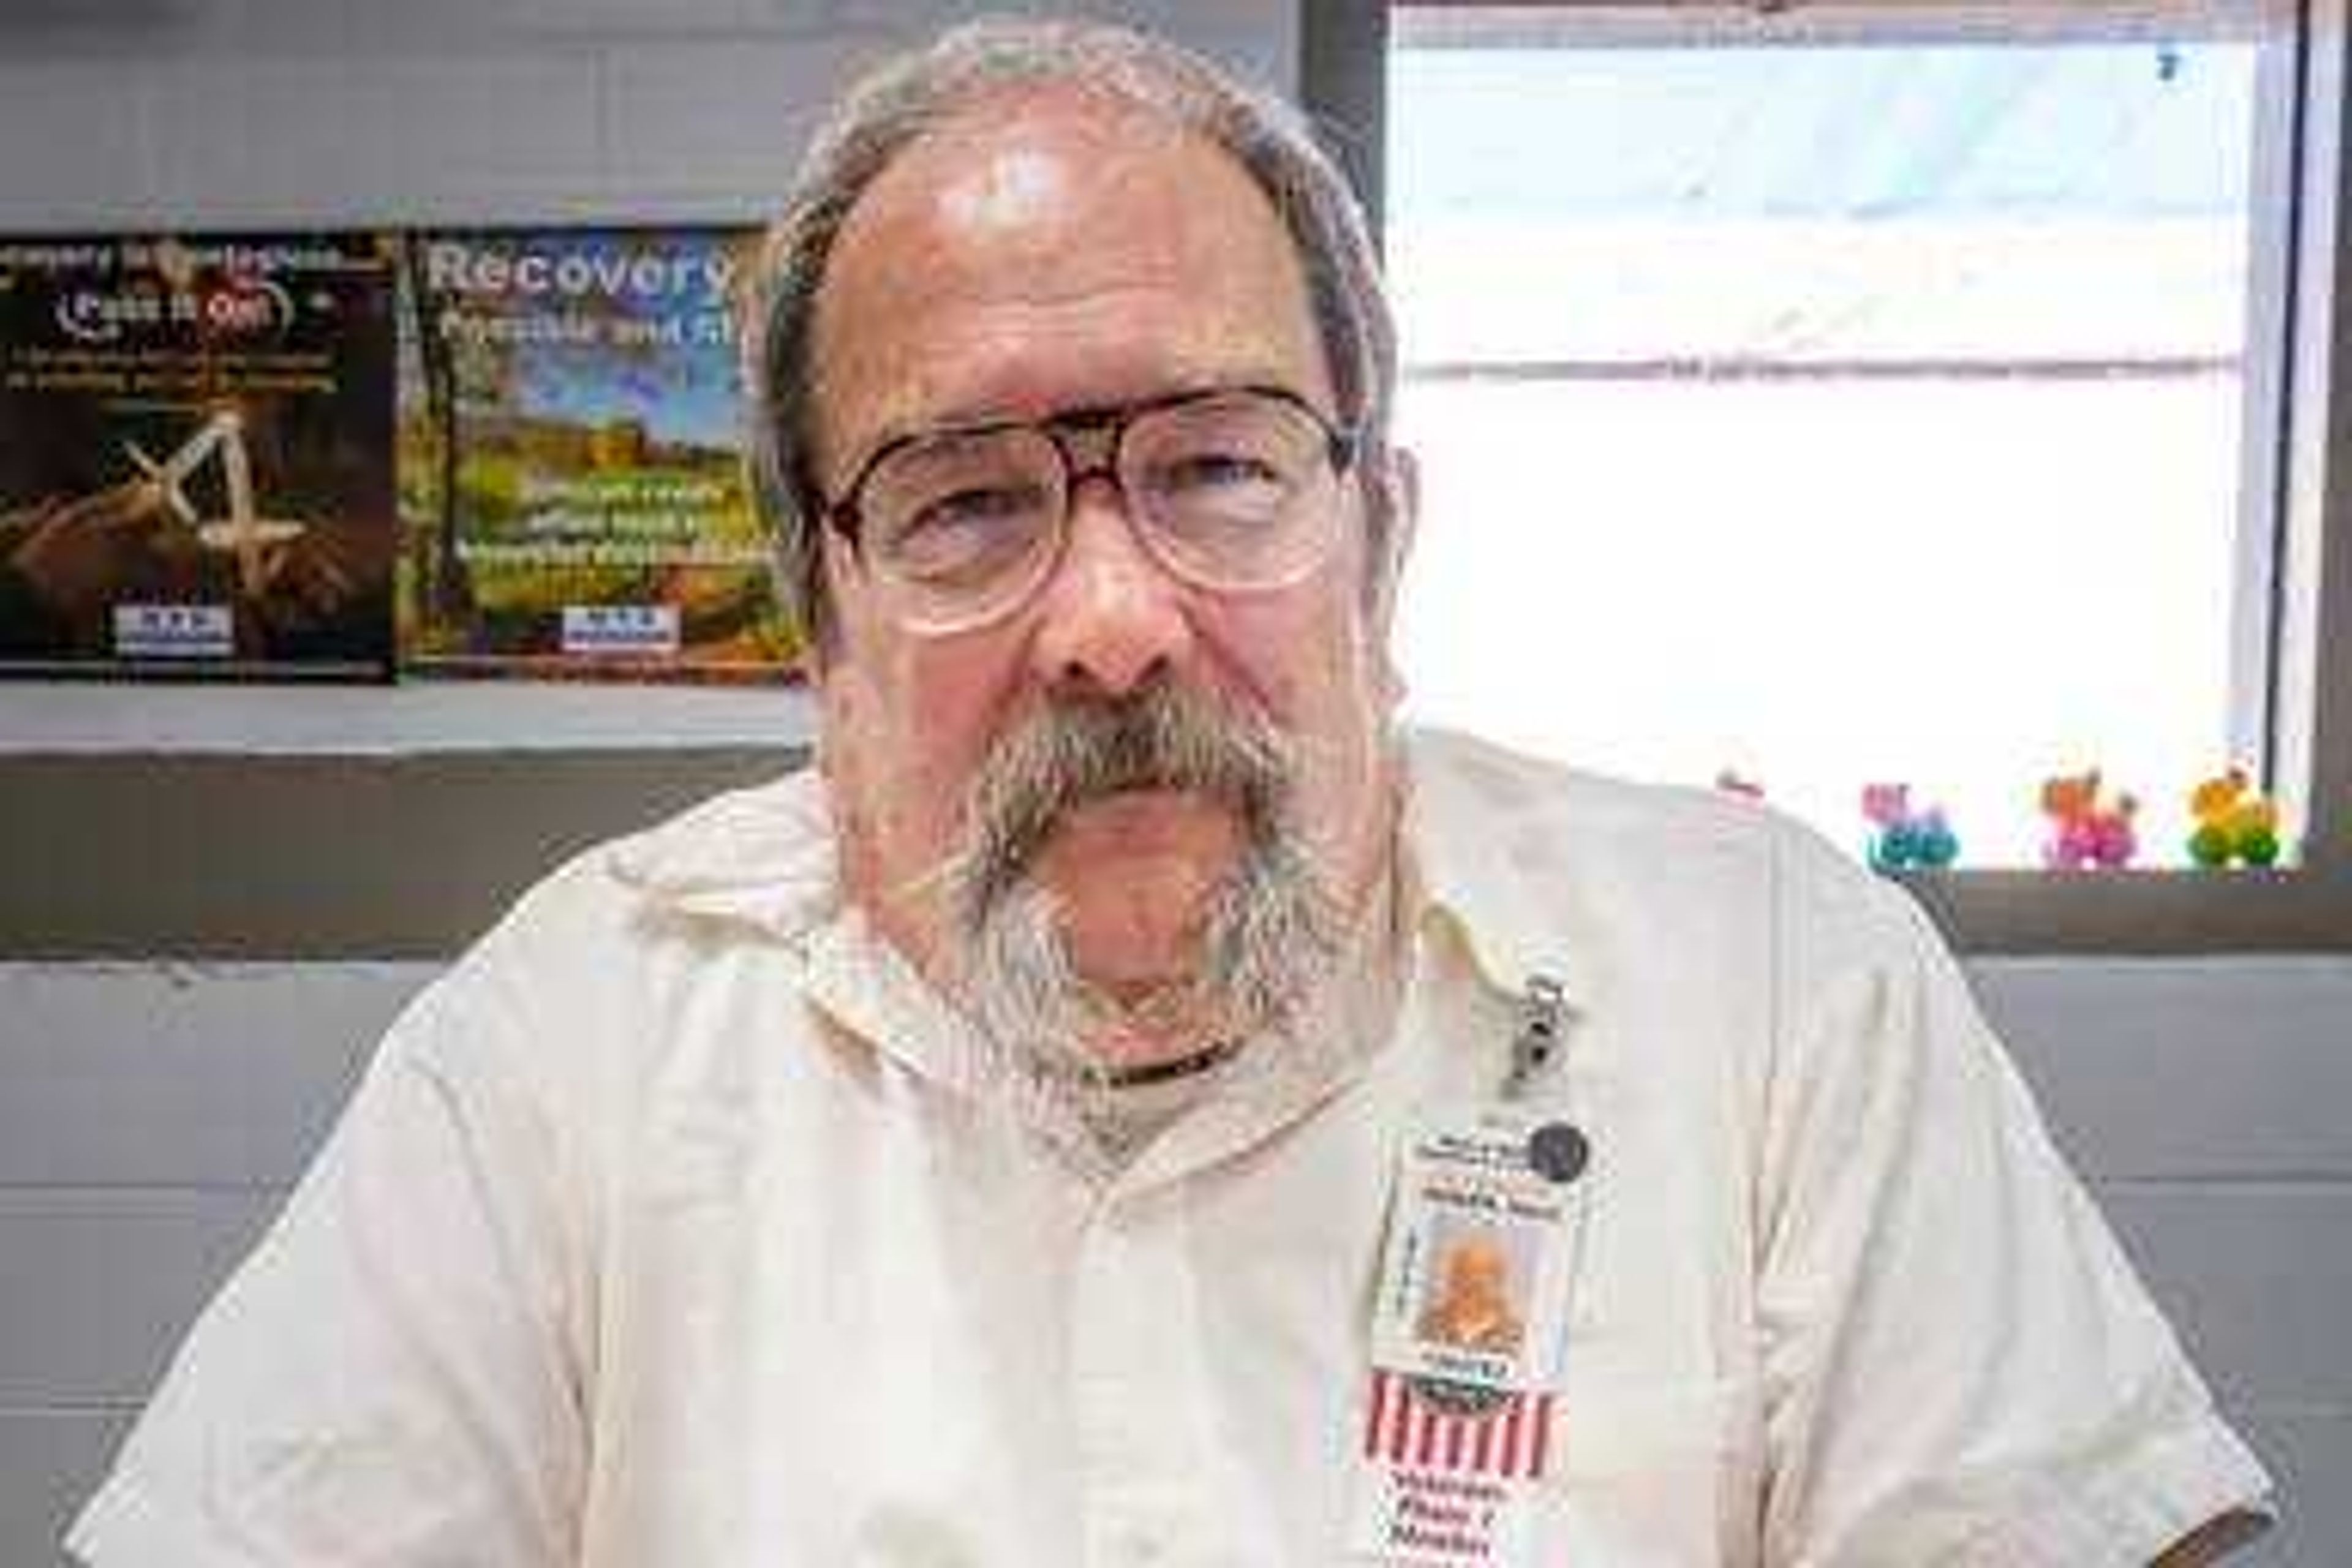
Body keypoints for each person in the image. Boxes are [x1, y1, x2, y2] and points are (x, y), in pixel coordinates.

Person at [70, 17, 2274, 1566]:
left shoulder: (1782, 988)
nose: (1109, 620)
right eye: (962, 504)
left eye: (1217, 466)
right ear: (821, 628)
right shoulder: (570, 1041)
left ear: (1378, 545)